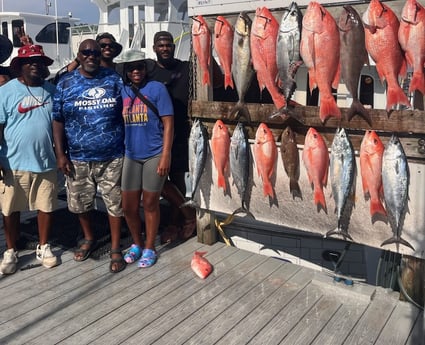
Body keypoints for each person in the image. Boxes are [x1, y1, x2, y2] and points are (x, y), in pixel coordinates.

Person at [52, 39, 126, 273]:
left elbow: (127, 111)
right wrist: (60, 153)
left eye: (95, 52)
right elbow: (57, 120)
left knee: (115, 204)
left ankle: (115, 247)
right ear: (79, 55)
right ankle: (89, 237)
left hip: (112, 155)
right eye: (86, 52)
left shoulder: (113, 79)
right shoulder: (65, 83)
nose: (91, 56)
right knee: (80, 203)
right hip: (77, 157)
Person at [0, 44, 58, 275]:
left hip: (46, 162)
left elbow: (58, 127)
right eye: (29, 61)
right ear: (20, 66)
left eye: (40, 61)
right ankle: (11, 250)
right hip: (12, 162)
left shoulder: (52, 91)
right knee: (10, 209)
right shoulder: (5, 91)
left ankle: (43, 246)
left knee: (46, 206)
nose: (35, 64)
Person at [120, 50, 174, 267]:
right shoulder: (122, 90)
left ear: (145, 68)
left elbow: (168, 122)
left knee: (150, 203)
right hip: (131, 154)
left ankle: (150, 247)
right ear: (126, 71)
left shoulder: (157, 89)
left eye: (139, 67)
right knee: (128, 207)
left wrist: (165, 155)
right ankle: (136, 243)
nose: (135, 72)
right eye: (131, 68)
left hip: (154, 153)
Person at [145, 31, 196, 243]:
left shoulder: (186, 67)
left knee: (176, 179)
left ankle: (176, 223)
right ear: (154, 47)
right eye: (161, 45)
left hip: (180, 132)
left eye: (168, 45)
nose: (165, 48)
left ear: (173, 47)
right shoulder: (148, 70)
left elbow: (211, 72)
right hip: (154, 133)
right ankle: (186, 215)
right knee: (159, 181)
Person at [54, 32, 122, 82]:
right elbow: (59, 78)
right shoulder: (87, 71)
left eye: (111, 46)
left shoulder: (121, 69)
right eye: (103, 45)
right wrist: (79, 59)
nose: (107, 47)